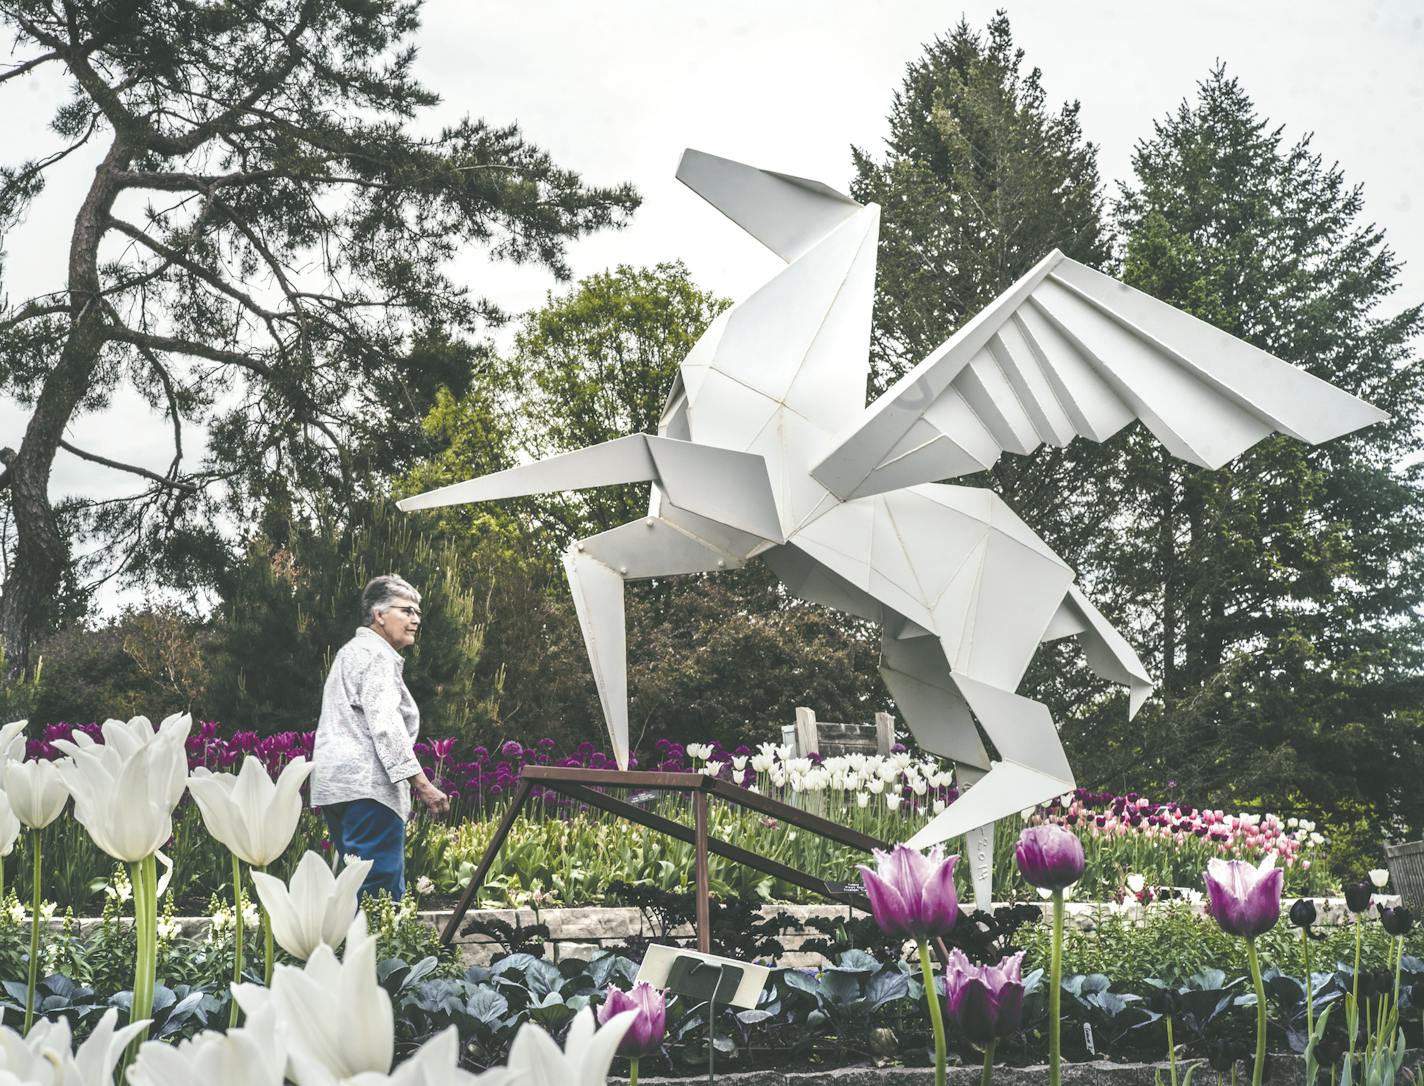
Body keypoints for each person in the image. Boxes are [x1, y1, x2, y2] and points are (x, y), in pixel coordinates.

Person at [312, 574, 450, 900]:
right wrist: (423, 785)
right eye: (407, 611)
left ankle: (345, 951)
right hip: (369, 788)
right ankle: (377, 952)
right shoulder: (377, 655)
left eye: (418, 613)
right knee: (379, 891)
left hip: (337, 787)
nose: (416, 619)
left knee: (351, 884)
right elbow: (385, 726)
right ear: (379, 615)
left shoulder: (351, 652)